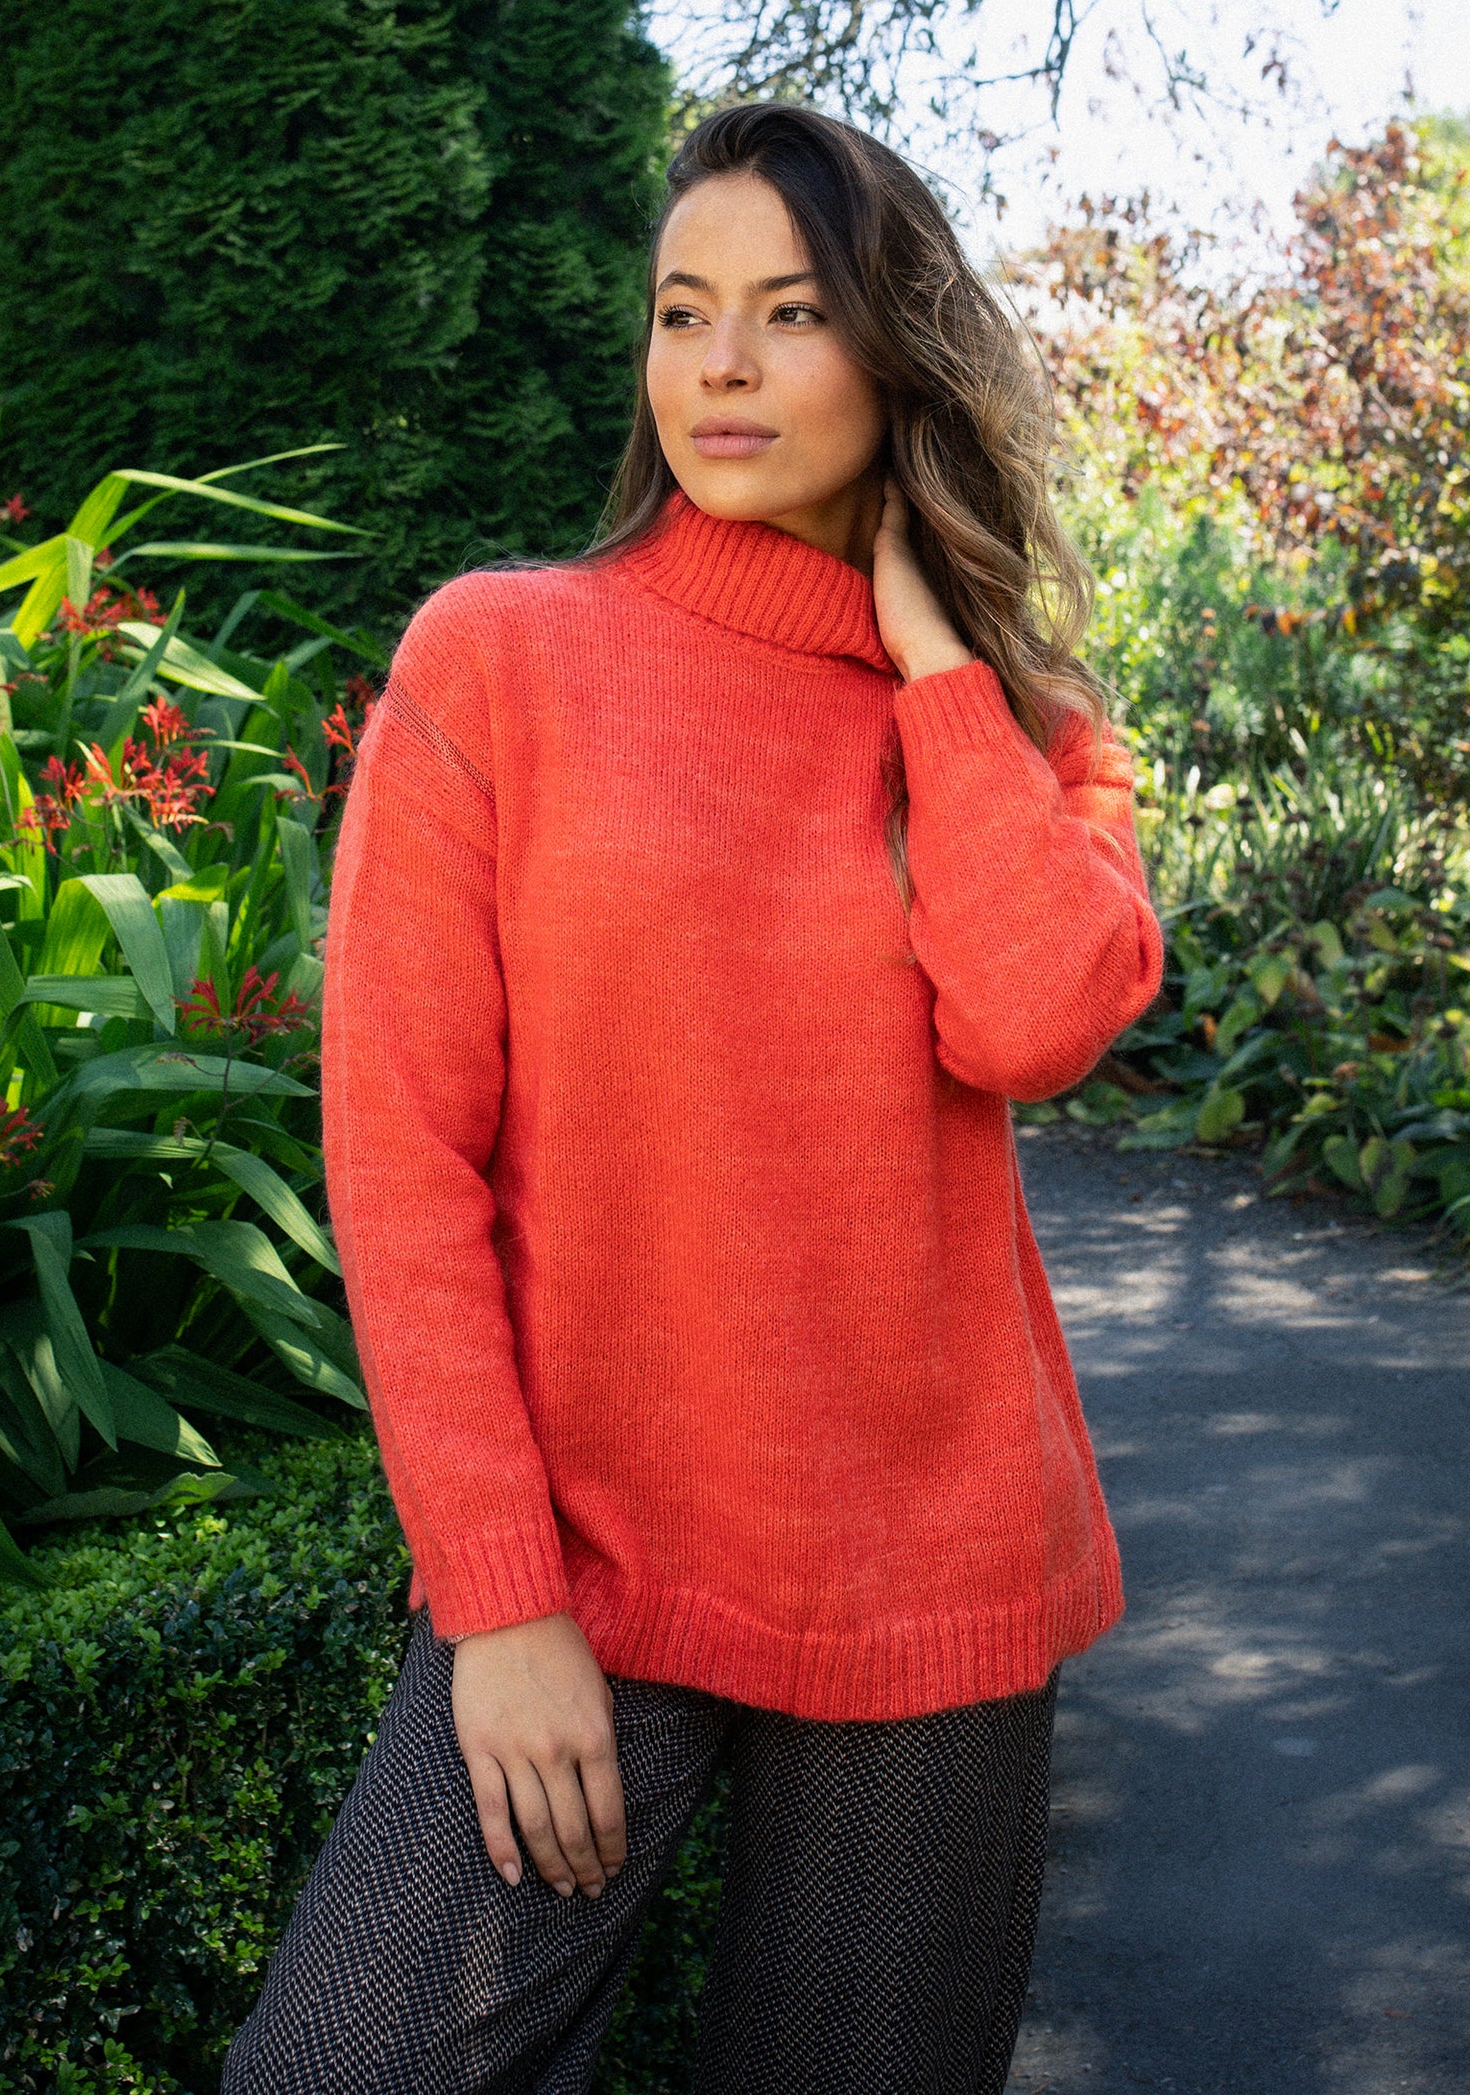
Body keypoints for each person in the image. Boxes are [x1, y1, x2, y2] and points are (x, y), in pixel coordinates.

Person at [224, 102, 1163, 2095]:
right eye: (682, 311)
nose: (720, 368)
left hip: (936, 1580)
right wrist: (498, 1599)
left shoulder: (1019, 733)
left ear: (894, 350)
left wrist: (935, 675)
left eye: (790, 313)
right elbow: (403, 1150)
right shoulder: (505, 659)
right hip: (599, 1569)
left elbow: (1040, 1019)